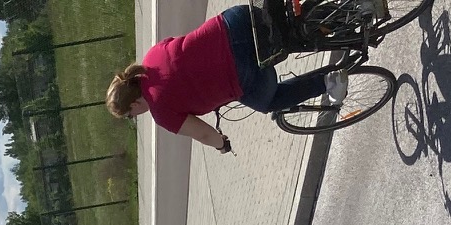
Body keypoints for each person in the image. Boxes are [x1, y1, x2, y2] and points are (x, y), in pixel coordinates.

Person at [104, 8, 348, 146]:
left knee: (269, 101)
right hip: (234, 20)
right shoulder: (151, 57)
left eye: (129, 115)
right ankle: (345, 13)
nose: (133, 117)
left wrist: (221, 145)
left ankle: (328, 82)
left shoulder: (162, 113)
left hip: (241, 71)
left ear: (133, 104)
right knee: (289, 29)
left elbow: (202, 133)